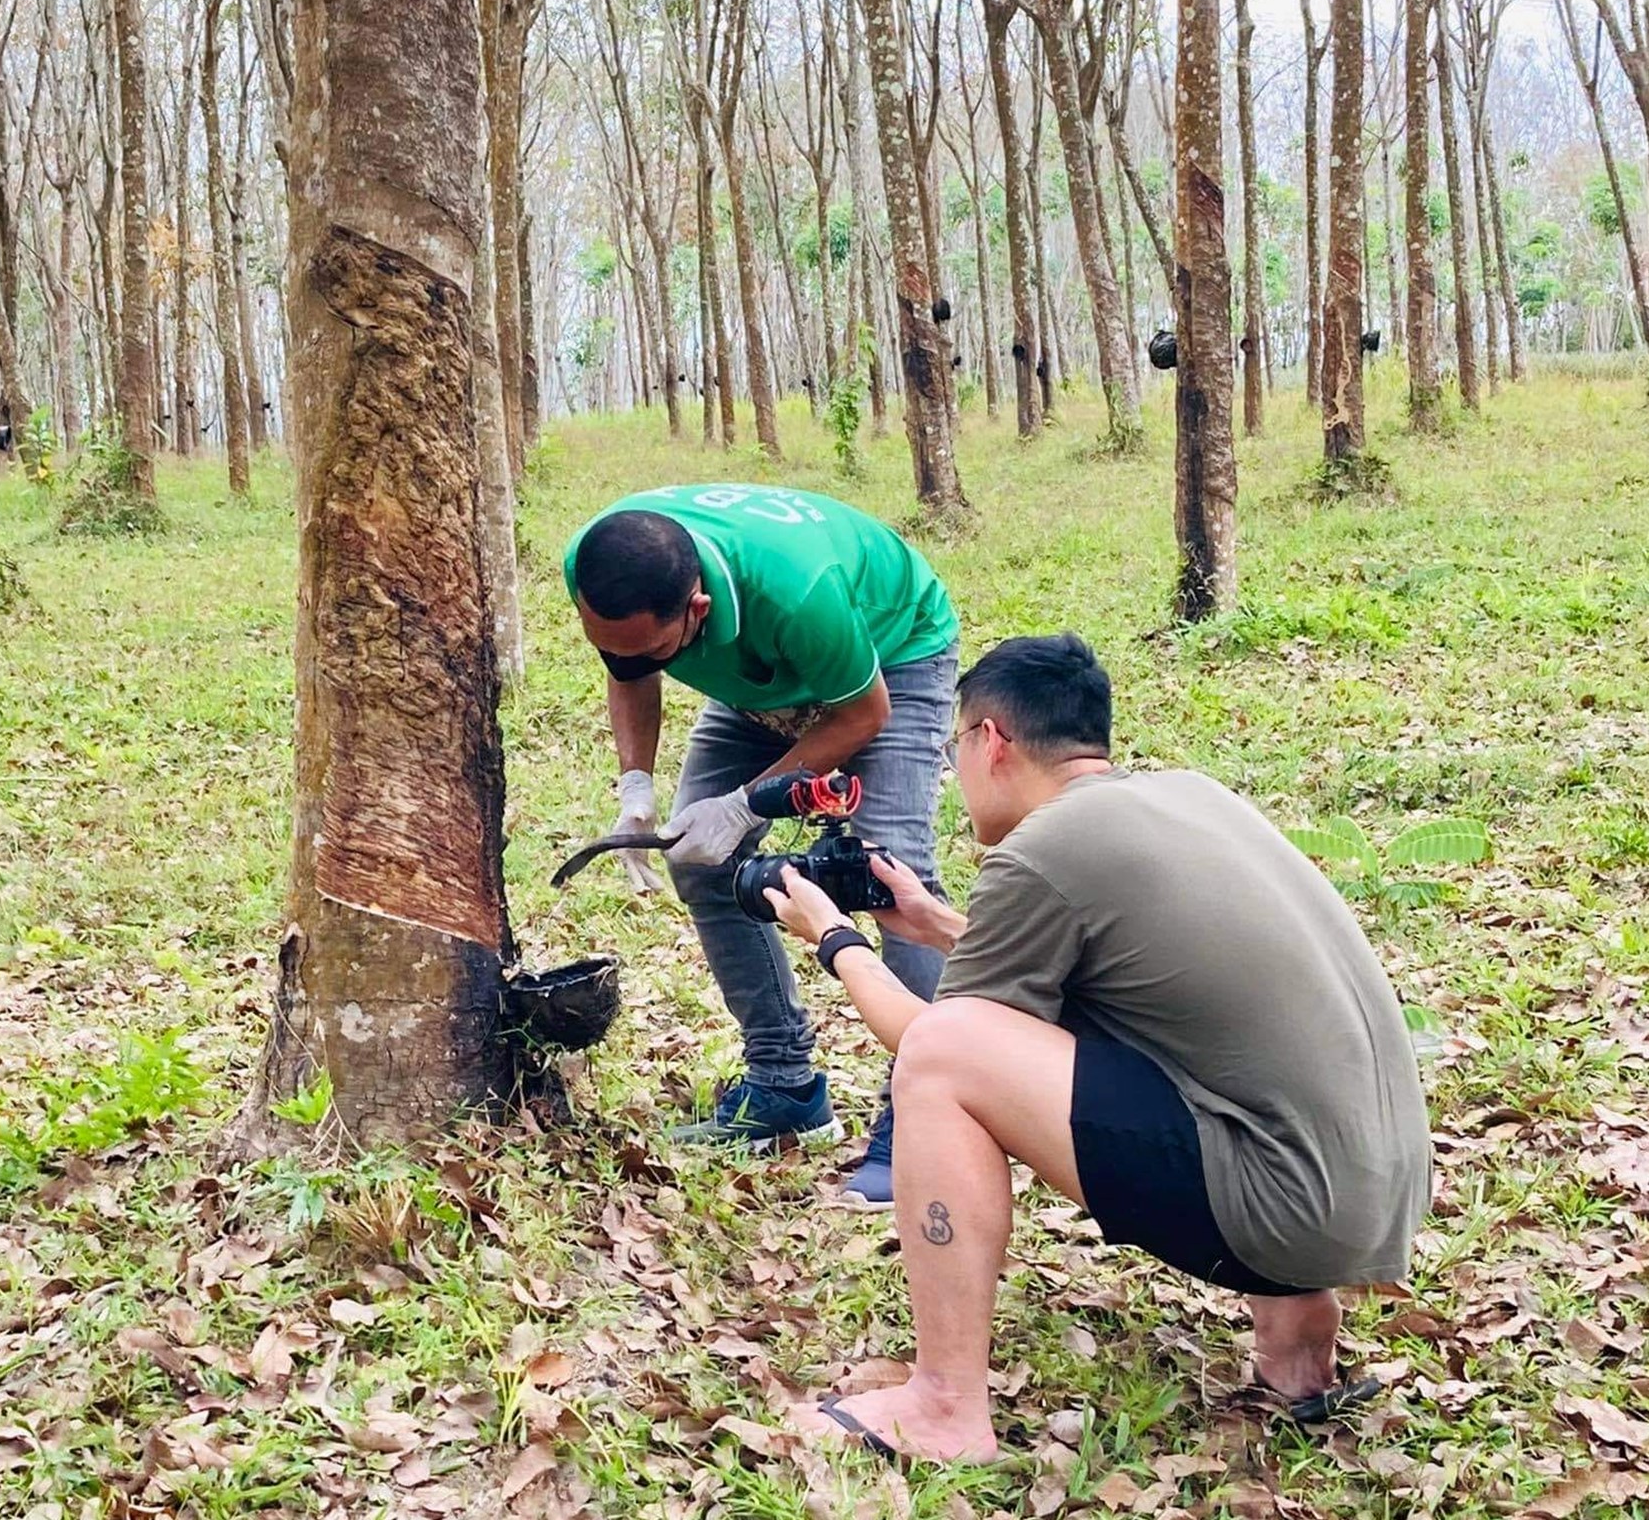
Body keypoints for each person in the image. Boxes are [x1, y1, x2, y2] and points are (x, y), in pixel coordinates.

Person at [763, 633, 1433, 1463]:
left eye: (953, 746)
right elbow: (1145, 990)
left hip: (1283, 1211)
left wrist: (831, 936)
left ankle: (942, 1406)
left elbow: (938, 1046)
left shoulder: (1041, 852)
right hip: (1375, 1196)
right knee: (1187, 1040)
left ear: (991, 740)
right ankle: (1297, 1347)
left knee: (941, 1061)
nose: (952, 771)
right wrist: (935, 924)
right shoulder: (1193, 797)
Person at [564, 483, 959, 1204]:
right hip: (761, 678)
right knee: (701, 859)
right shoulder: (601, 559)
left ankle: (931, 1114)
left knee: (888, 872)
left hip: (888, 658)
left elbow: (861, 712)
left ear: (698, 609)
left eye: (653, 647)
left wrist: (747, 803)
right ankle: (784, 1086)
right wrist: (634, 788)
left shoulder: (797, 587)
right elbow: (628, 665)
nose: (630, 661)